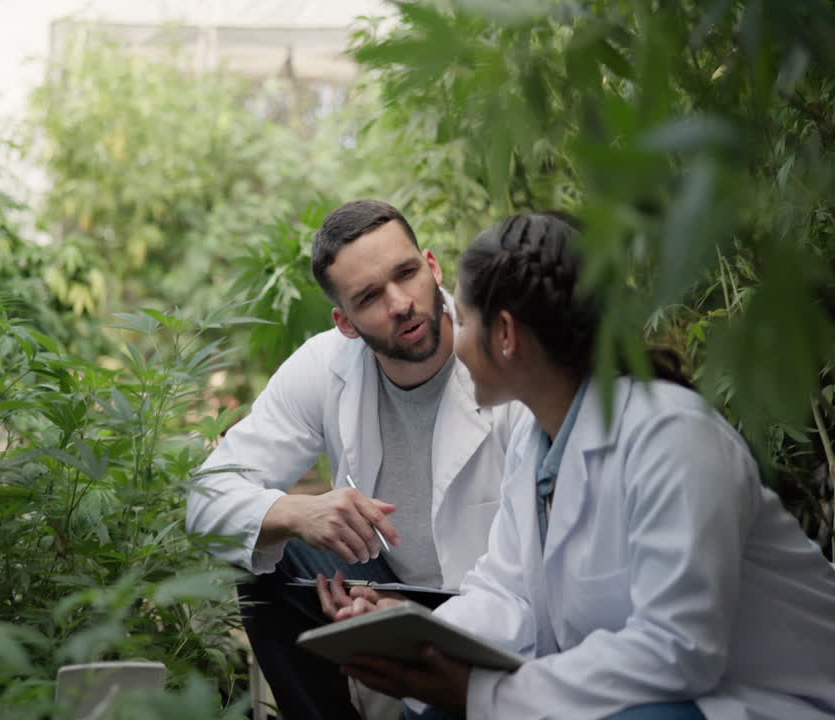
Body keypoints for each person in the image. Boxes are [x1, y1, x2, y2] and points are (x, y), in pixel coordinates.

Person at [317, 212, 835, 719]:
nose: (457, 340)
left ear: (505, 334)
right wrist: (410, 631)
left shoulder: (673, 438)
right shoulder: (535, 444)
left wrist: (484, 695)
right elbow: (506, 593)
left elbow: (677, 653)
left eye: (466, 320)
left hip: (766, 699)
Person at [186, 200, 527, 720]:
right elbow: (207, 498)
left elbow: (535, 570)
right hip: (389, 579)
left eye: (407, 274)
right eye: (370, 296)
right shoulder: (325, 366)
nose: (400, 303)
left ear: (433, 268)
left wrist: (415, 618)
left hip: (493, 599)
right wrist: (300, 514)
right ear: (344, 321)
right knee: (265, 555)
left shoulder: (505, 354)